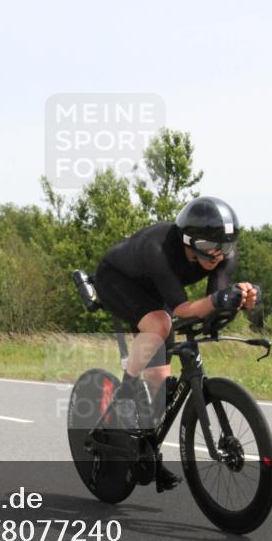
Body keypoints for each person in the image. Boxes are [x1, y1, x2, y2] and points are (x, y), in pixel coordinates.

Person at [92, 196, 258, 491]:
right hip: (116, 280)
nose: (217, 256)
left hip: (154, 290)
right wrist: (218, 300)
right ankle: (127, 385)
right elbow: (182, 310)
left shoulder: (220, 253)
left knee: (159, 381)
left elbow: (214, 303)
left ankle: (148, 450)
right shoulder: (159, 247)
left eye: (225, 247)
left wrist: (239, 298)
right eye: (208, 248)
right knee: (161, 323)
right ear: (187, 240)